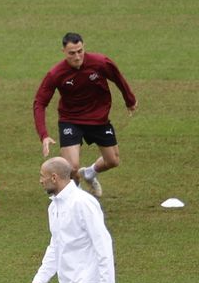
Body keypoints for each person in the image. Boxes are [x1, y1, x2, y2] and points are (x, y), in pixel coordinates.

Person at [33, 32, 138, 197]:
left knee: (113, 161)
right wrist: (44, 135)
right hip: (71, 120)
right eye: (72, 53)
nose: (77, 56)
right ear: (64, 52)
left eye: (80, 51)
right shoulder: (56, 74)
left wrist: (130, 100)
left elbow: (118, 78)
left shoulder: (100, 63)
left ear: (84, 47)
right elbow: (40, 102)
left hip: (99, 119)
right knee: (71, 167)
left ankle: (89, 173)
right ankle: (75, 198)